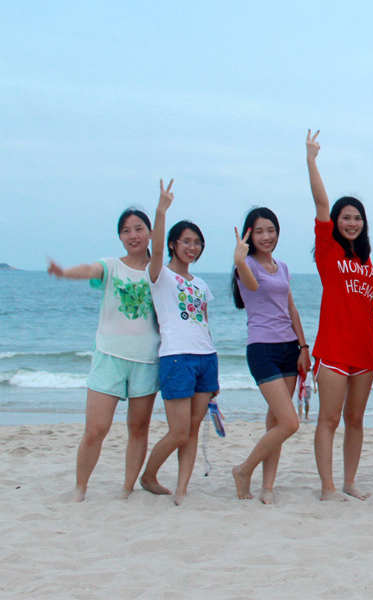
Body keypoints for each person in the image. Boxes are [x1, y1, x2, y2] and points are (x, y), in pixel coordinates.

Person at [49, 207, 159, 502]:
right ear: (120, 237)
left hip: (147, 360)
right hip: (109, 356)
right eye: (126, 230)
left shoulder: (159, 271)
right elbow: (89, 269)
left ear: (150, 232)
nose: (133, 235)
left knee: (138, 428)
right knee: (96, 429)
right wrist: (64, 272)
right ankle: (80, 488)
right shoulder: (112, 266)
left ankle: (127, 489)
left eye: (138, 228)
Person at [305, 130, 373, 501]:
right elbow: (321, 203)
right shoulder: (328, 251)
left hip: (365, 353)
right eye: (346, 217)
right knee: (329, 420)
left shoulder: (365, 260)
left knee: (355, 421)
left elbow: (367, 307)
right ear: (336, 221)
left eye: (358, 218)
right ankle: (328, 486)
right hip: (333, 351)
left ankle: (349, 482)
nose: (352, 223)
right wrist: (312, 160)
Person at [139, 179, 219, 506]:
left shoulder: (200, 283)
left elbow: (205, 324)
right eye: (187, 241)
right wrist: (161, 210)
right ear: (174, 244)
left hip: (206, 358)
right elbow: (155, 250)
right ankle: (149, 475)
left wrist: (215, 376)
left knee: (195, 428)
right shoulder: (160, 275)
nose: (193, 247)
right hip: (175, 357)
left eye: (198, 242)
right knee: (179, 431)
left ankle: (183, 489)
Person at [230, 207, 308, 504]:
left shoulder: (283, 267)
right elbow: (252, 284)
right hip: (262, 349)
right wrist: (239, 257)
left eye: (270, 230)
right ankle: (243, 470)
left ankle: (267, 487)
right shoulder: (246, 266)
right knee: (290, 423)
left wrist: (303, 347)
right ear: (249, 234)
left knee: (276, 421)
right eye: (259, 231)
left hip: (289, 347)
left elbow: (291, 309)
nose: (266, 236)